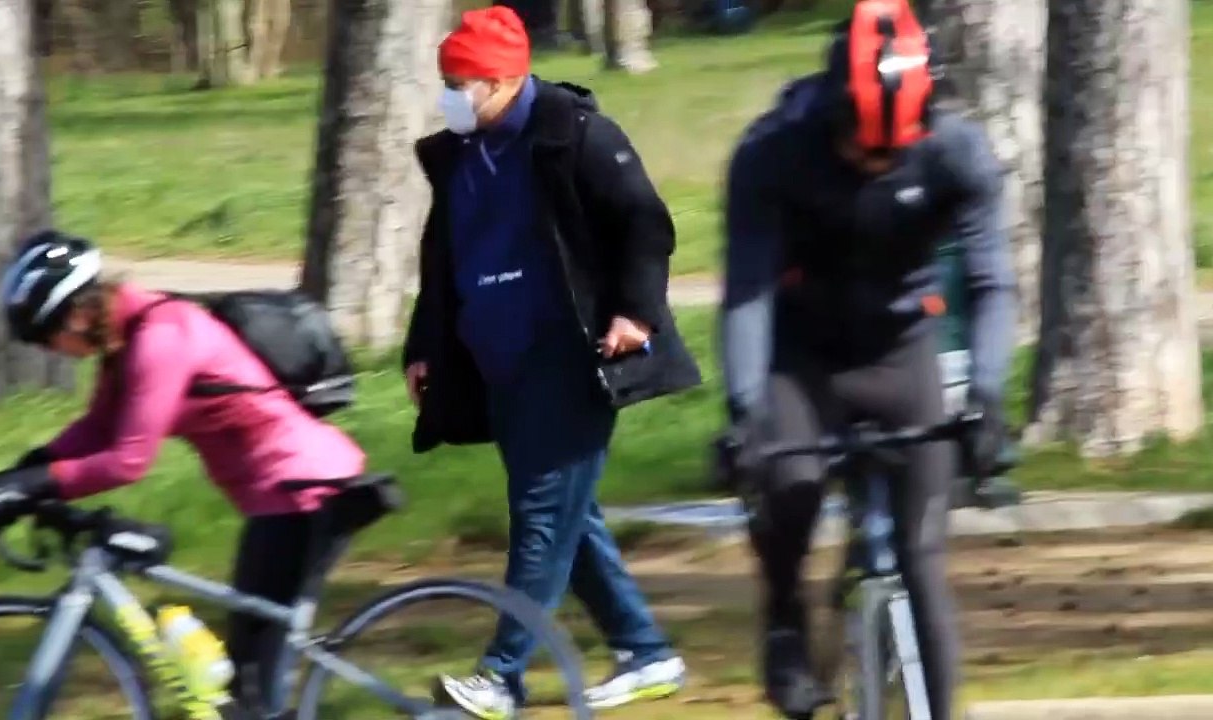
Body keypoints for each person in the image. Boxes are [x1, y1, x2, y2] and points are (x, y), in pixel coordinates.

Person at [718, 0, 1016, 717]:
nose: (878, 164)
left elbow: (989, 281)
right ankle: (786, 611)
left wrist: (985, 395)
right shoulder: (773, 152)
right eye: (863, 148)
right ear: (833, 115)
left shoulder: (956, 150)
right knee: (789, 485)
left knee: (922, 557)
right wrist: (744, 414)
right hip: (801, 350)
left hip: (899, 347)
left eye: (894, 151)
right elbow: (748, 295)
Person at [403, 7, 701, 719]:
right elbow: (442, 262)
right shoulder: (459, 155)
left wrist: (636, 313)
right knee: (572, 518)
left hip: (571, 357)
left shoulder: (577, 135)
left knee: (541, 518)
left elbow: (644, 223)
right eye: (447, 81)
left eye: (462, 83)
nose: (451, 95)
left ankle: (501, 677)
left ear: (507, 81)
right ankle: (646, 650)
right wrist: (423, 347)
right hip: (497, 363)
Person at [0, 230, 366, 718]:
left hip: (305, 489)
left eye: (45, 336)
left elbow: (129, 458)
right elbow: (97, 429)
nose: (49, 350)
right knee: (244, 680)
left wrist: (28, 486)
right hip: (277, 494)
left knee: (251, 685)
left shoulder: (161, 337)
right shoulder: (128, 339)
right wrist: (18, 475)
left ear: (77, 313)